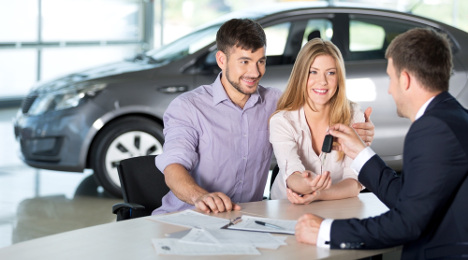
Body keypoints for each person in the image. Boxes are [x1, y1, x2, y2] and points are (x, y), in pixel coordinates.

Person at [153, 18, 375, 215]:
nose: (255, 72)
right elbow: (173, 167)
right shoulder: (189, 107)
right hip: (187, 216)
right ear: (221, 60)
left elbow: (317, 108)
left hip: (246, 220)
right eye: (244, 61)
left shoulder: (277, 104)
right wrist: (199, 196)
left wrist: (364, 134)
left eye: (261, 61)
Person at [295, 28, 468, 259]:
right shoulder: (453, 115)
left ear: (405, 79)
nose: (389, 89)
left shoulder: (432, 129)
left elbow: (406, 222)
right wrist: (360, 152)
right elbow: (407, 197)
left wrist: (325, 231)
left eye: (391, 77)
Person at [269, 38, 367, 203]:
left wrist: (319, 194)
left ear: (339, 77)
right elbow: (292, 174)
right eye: (313, 72)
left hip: (336, 207)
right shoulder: (282, 121)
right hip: (288, 206)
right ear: (301, 75)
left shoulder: (353, 116)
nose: (322, 81)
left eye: (330, 73)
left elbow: (355, 182)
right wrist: (306, 184)